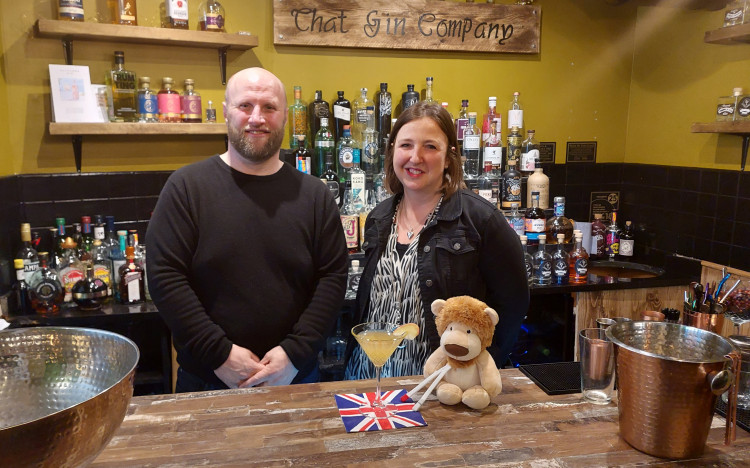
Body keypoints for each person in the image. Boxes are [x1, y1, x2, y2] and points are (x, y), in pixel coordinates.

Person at [146, 68, 348, 392]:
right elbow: (165, 277)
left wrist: (293, 355)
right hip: (206, 383)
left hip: (295, 379)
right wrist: (220, 355)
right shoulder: (186, 188)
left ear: (285, 116)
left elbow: (333, 277)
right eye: (245, 106)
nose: (257, 118)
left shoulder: (314, 195)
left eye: (269, 107)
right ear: (226, 112)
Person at [345, 101, 529, 380]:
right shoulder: (378, 218)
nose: (415, 157)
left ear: (448, 157)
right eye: (406, 145)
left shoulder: (481, 219)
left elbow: (513, 304)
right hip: (367, 376)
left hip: (439, 383)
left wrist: (476, 368)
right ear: (392, 150)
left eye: (430, 146)